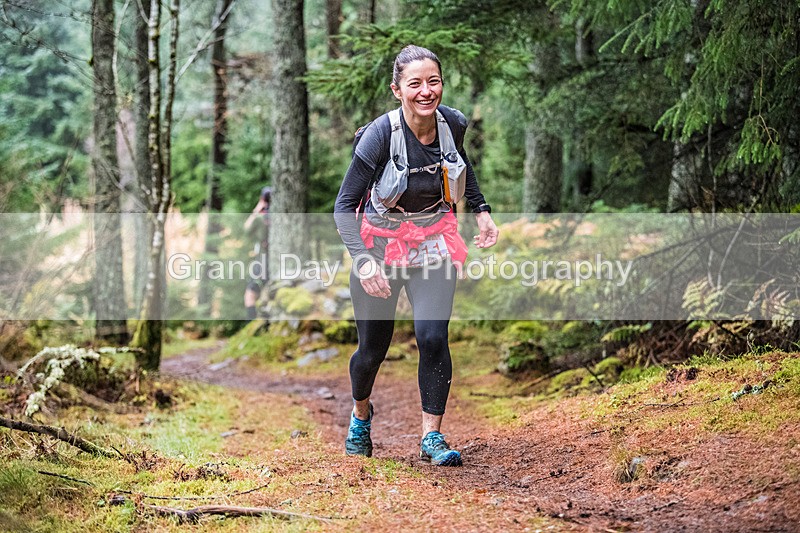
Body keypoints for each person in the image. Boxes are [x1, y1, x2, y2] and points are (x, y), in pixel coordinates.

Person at [334, 45, 498, 466]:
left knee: (432, 336)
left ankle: (432, 435)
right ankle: (361, 414)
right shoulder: (379, 135)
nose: (427, 91)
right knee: (372, 349)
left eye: (434, 81)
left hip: (433, 240)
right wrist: (363, 260)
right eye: (416, 84)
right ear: (397, 89)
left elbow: (461, 165)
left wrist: (481, 212)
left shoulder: (453, 124)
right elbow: (344, 204)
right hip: (379, 244)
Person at [243, 186, 271, 320]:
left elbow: (246, 230)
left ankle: (252, 326)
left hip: (262, 259)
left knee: (250, 294)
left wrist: (256, 210)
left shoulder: (260, 218)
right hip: (275, 260)